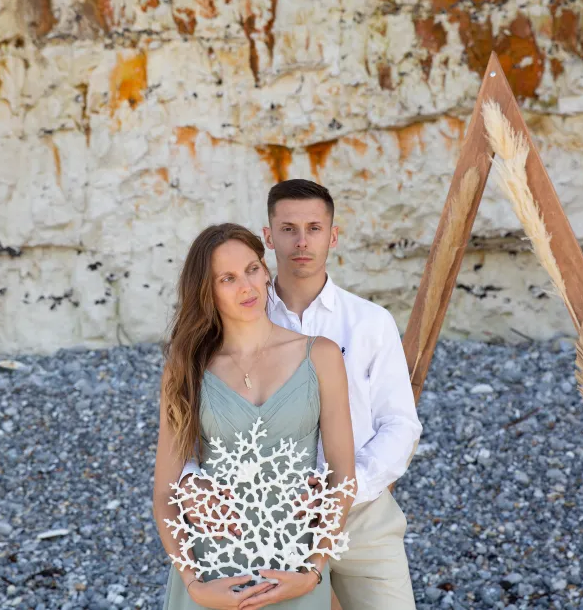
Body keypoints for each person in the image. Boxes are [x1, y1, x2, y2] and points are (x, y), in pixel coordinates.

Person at [179, 181, 423, 609]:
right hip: (261, 520)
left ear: (333, 235)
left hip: (361, 517)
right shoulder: (240, 310)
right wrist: (190, 478)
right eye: (288, 229)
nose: (302, 242)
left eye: (314, 228)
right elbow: (199, 410)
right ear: (268, 237)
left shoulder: (370, 322)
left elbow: (400, 424)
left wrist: (340, 492)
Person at [153, 223, 356, 610]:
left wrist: (314, 571)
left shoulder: (321, 355)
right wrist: (194, 584)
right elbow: (164, 492)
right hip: (214, 569)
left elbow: (342, 476)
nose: (246, 286)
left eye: (251, 269)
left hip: (295, 563)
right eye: (227, 278)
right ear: (207, 292)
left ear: (265, 271)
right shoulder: (186, 368)